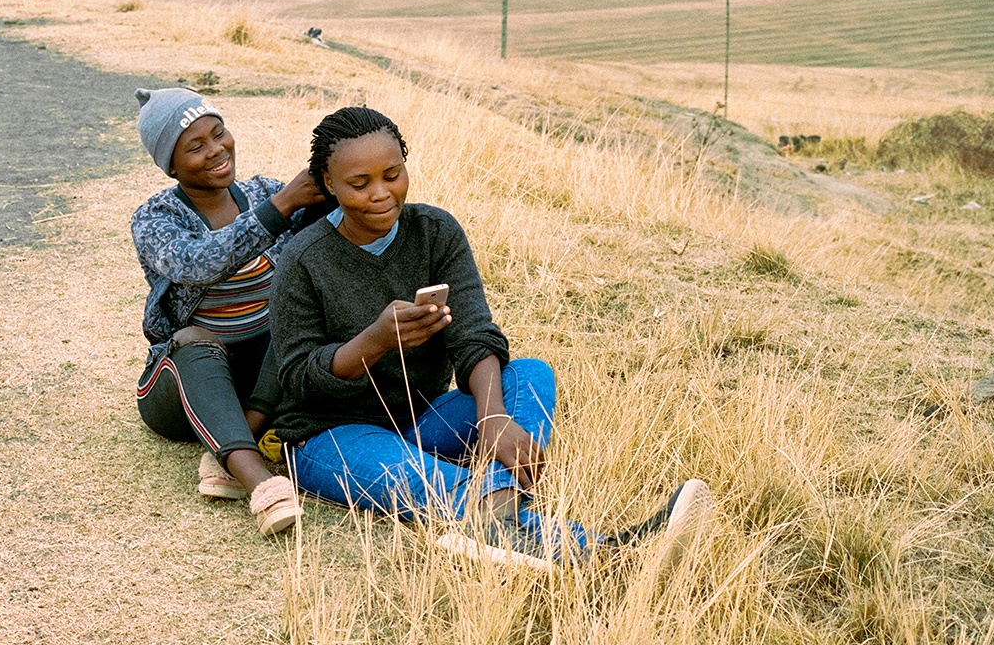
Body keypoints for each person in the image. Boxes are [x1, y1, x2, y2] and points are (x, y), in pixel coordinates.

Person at [268, 105, 711, 572]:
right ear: (328, 183)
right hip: (330, 436)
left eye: (393, 174)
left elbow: (475, 336)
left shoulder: (435, 232)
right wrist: (375, 340)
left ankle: (492, 524)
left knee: (528, 374)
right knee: (426, 480)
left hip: (423, 418)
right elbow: (297, 378)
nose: (381, 193)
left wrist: (493, 418)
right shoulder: (303, 260)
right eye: (360, 184)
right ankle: (605, 555)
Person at [130, 87, 326, 538]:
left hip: (266, 377)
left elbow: (326, 232)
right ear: (171, 165)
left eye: (219, 134)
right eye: (195, 147)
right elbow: (199, 264)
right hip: (183, 387)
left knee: (298, 321)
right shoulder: (155, 218)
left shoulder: (261, 190)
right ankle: (260, 484)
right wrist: (280, 209)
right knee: (194, 341)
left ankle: (231, 446)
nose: (216, 150)